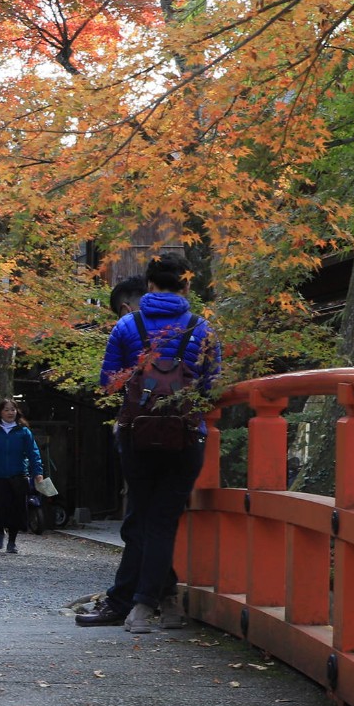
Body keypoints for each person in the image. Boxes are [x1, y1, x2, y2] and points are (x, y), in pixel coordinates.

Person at [77, 255, 221, 634]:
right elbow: (210, 384)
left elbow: (108, 381)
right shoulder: (201, 328)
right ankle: (165, 602)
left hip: (137, 433)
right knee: (162, 519)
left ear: (150, 286)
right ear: (186, 286)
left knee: (142, 517)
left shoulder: (128, 325)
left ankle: (138, 606)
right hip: (187, 434)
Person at [0, 398, 45, 553]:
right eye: (6, 409)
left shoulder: (23, 431)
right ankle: (0, 531)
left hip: (18, 474)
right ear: (0, 412)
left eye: (13, 409)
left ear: (17, 412)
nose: (10, 412)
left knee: (17, 508)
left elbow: (33, 452)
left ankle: (12, 541)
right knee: (0, 506)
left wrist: (38, 472)